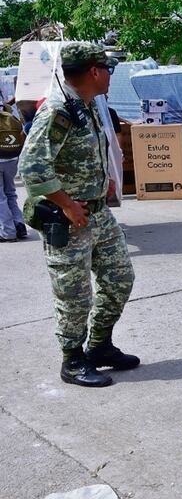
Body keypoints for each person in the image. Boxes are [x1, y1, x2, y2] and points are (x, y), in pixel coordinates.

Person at [18, 43, 138, 387]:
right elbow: (32, 167)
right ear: (94, 72)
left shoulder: (86, 105)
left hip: (99, 215)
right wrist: (67, 204)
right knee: (74, 296)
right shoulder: (59, 110)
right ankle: (72, 360)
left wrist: (107, 179)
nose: (111, 76)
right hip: (70, 220)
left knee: (120, 280)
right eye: (108, 69)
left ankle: (99, 346)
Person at [0, 102, 28, 242]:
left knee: (0, 198)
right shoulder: (8, 110)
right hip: (11, 158)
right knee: (10, 193)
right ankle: (19, 225)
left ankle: (8, 232)